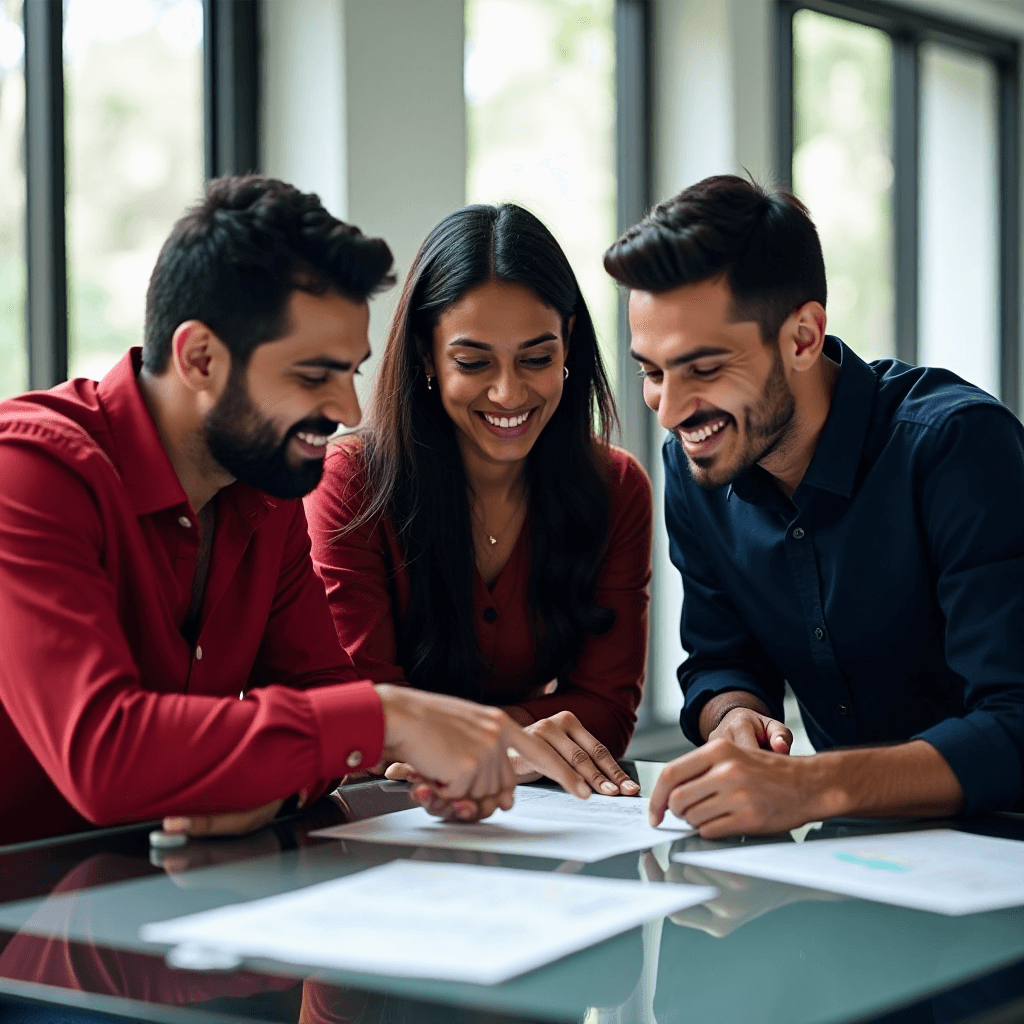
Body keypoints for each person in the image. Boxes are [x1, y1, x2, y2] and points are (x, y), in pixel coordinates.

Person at [0, 176, 590, 847]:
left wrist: (269, 783)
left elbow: (324, 695)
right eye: (314, 376)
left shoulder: (265, 488)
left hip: (151, 902)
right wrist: (387, 715)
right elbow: (105, 753)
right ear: (200, 358)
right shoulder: (28, 473)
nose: (346, 411)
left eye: (351, 373)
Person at [602, 174, 1024, 838]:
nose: (671, 411)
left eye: (704, 370)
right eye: (653, 373)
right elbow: (722, 660)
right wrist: (734, 718)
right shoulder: (699, 462)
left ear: (802, 338)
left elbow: (1017, 724)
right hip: (855, 850)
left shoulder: (957, 448)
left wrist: (807, 786)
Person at [304, 203, 653, 816]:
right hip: (379, 824)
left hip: (537, 822)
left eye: (537, 359)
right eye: (473, 362)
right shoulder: (351, 483)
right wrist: (516, 734)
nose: (508, 393)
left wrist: (462, 742)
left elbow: (606, 708)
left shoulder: (618, 487)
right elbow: (360, 705)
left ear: (569, 342)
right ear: (425, 354)